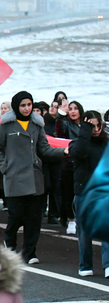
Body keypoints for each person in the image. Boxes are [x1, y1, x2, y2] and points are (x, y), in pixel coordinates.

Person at [0, 91, 67, 265]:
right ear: (17, 106)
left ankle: (29, 252)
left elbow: (45, 149)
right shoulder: (7, 125)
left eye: (29, 105)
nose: (26, 108)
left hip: (34, 178)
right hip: (14, 178)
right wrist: (5, 168)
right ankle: (9, 245)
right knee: (16, 216)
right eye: (23, 105)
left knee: (33, 219)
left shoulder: (37, 125)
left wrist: (63, 151)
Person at [70, 111, 109, 277]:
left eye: (98, 125)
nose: (96, 129)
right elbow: (79, 152)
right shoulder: (76, 144)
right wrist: (85, 132)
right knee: (84, 232)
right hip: (83, 192)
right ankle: (85, 265)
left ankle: (108, 265)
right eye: (91, 126)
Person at [57, 100, 84, 234]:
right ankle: (71, 220)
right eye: (70, 109)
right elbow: (60, 131)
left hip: (83, 165)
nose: (73, 111)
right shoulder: (66, 124)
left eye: (75, 108)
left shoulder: (86, 125)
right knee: (68, 194)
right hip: (68, 164)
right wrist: (61, 113)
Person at [43, 100, 62, 223]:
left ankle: (53, 214)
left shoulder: (60, 123)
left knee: (56, 187)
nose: (53, 109)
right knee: (45, 186)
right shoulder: (43, 122)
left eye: (56, 107)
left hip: (57, 158)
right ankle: (41, 211)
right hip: (45, 158)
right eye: (52, 106)